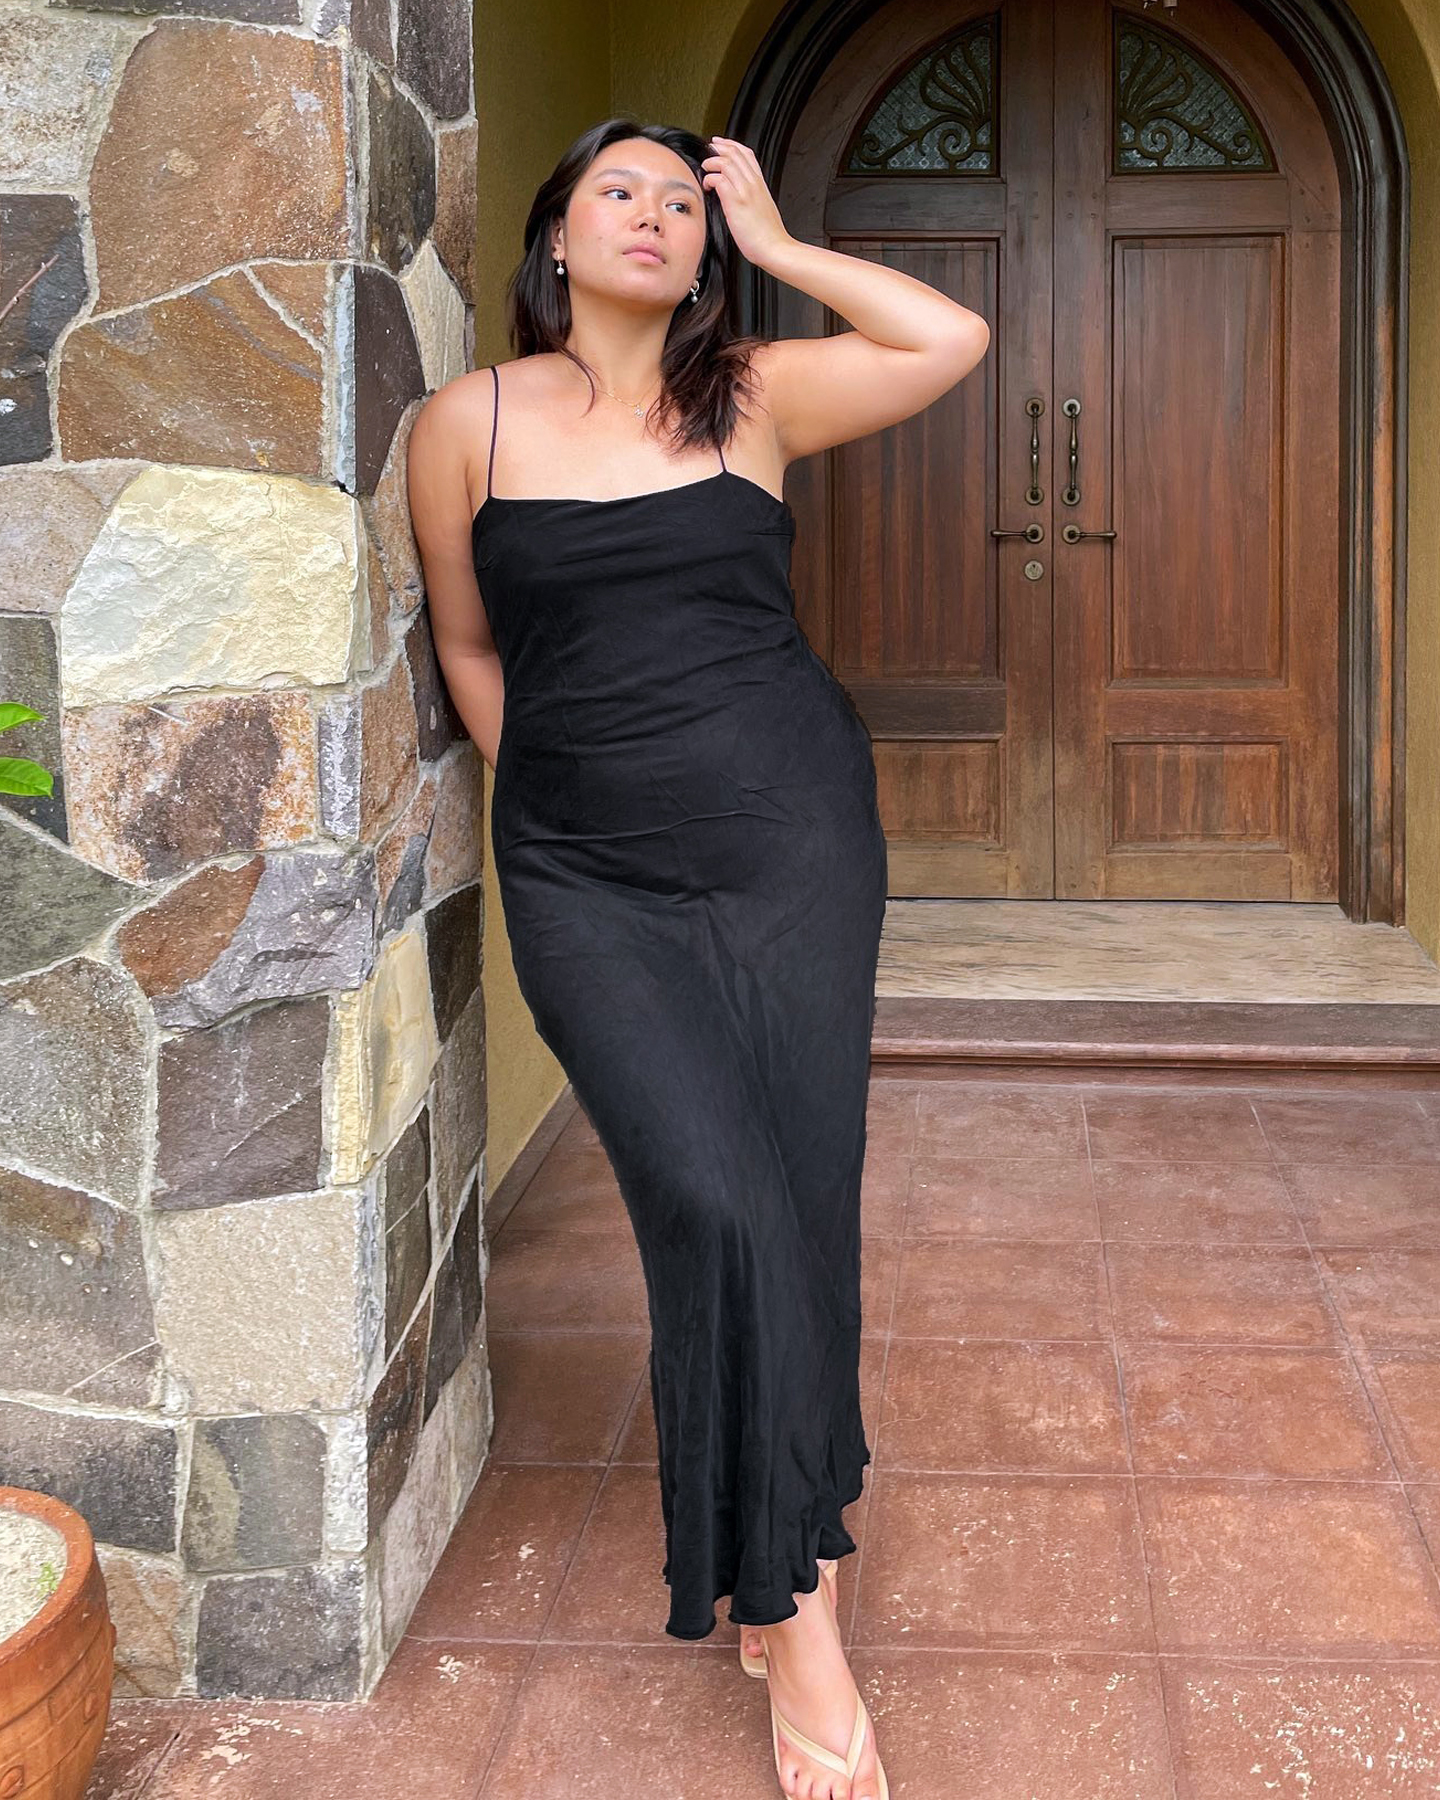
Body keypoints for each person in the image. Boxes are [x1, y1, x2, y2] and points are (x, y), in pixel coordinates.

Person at [407, 116, 989, 1800]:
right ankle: (791, 1577)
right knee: (711, 1199)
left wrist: (781, 244)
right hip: (588, 874)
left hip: (790, 844)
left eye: (682, 199)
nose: (655, 215)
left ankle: (788, 1587)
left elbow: (947, 337)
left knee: (797, 1192)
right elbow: (467, 642)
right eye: (621, 191)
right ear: (557, 234)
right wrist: (563, 794)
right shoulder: (466, 425)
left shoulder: (753, 396)